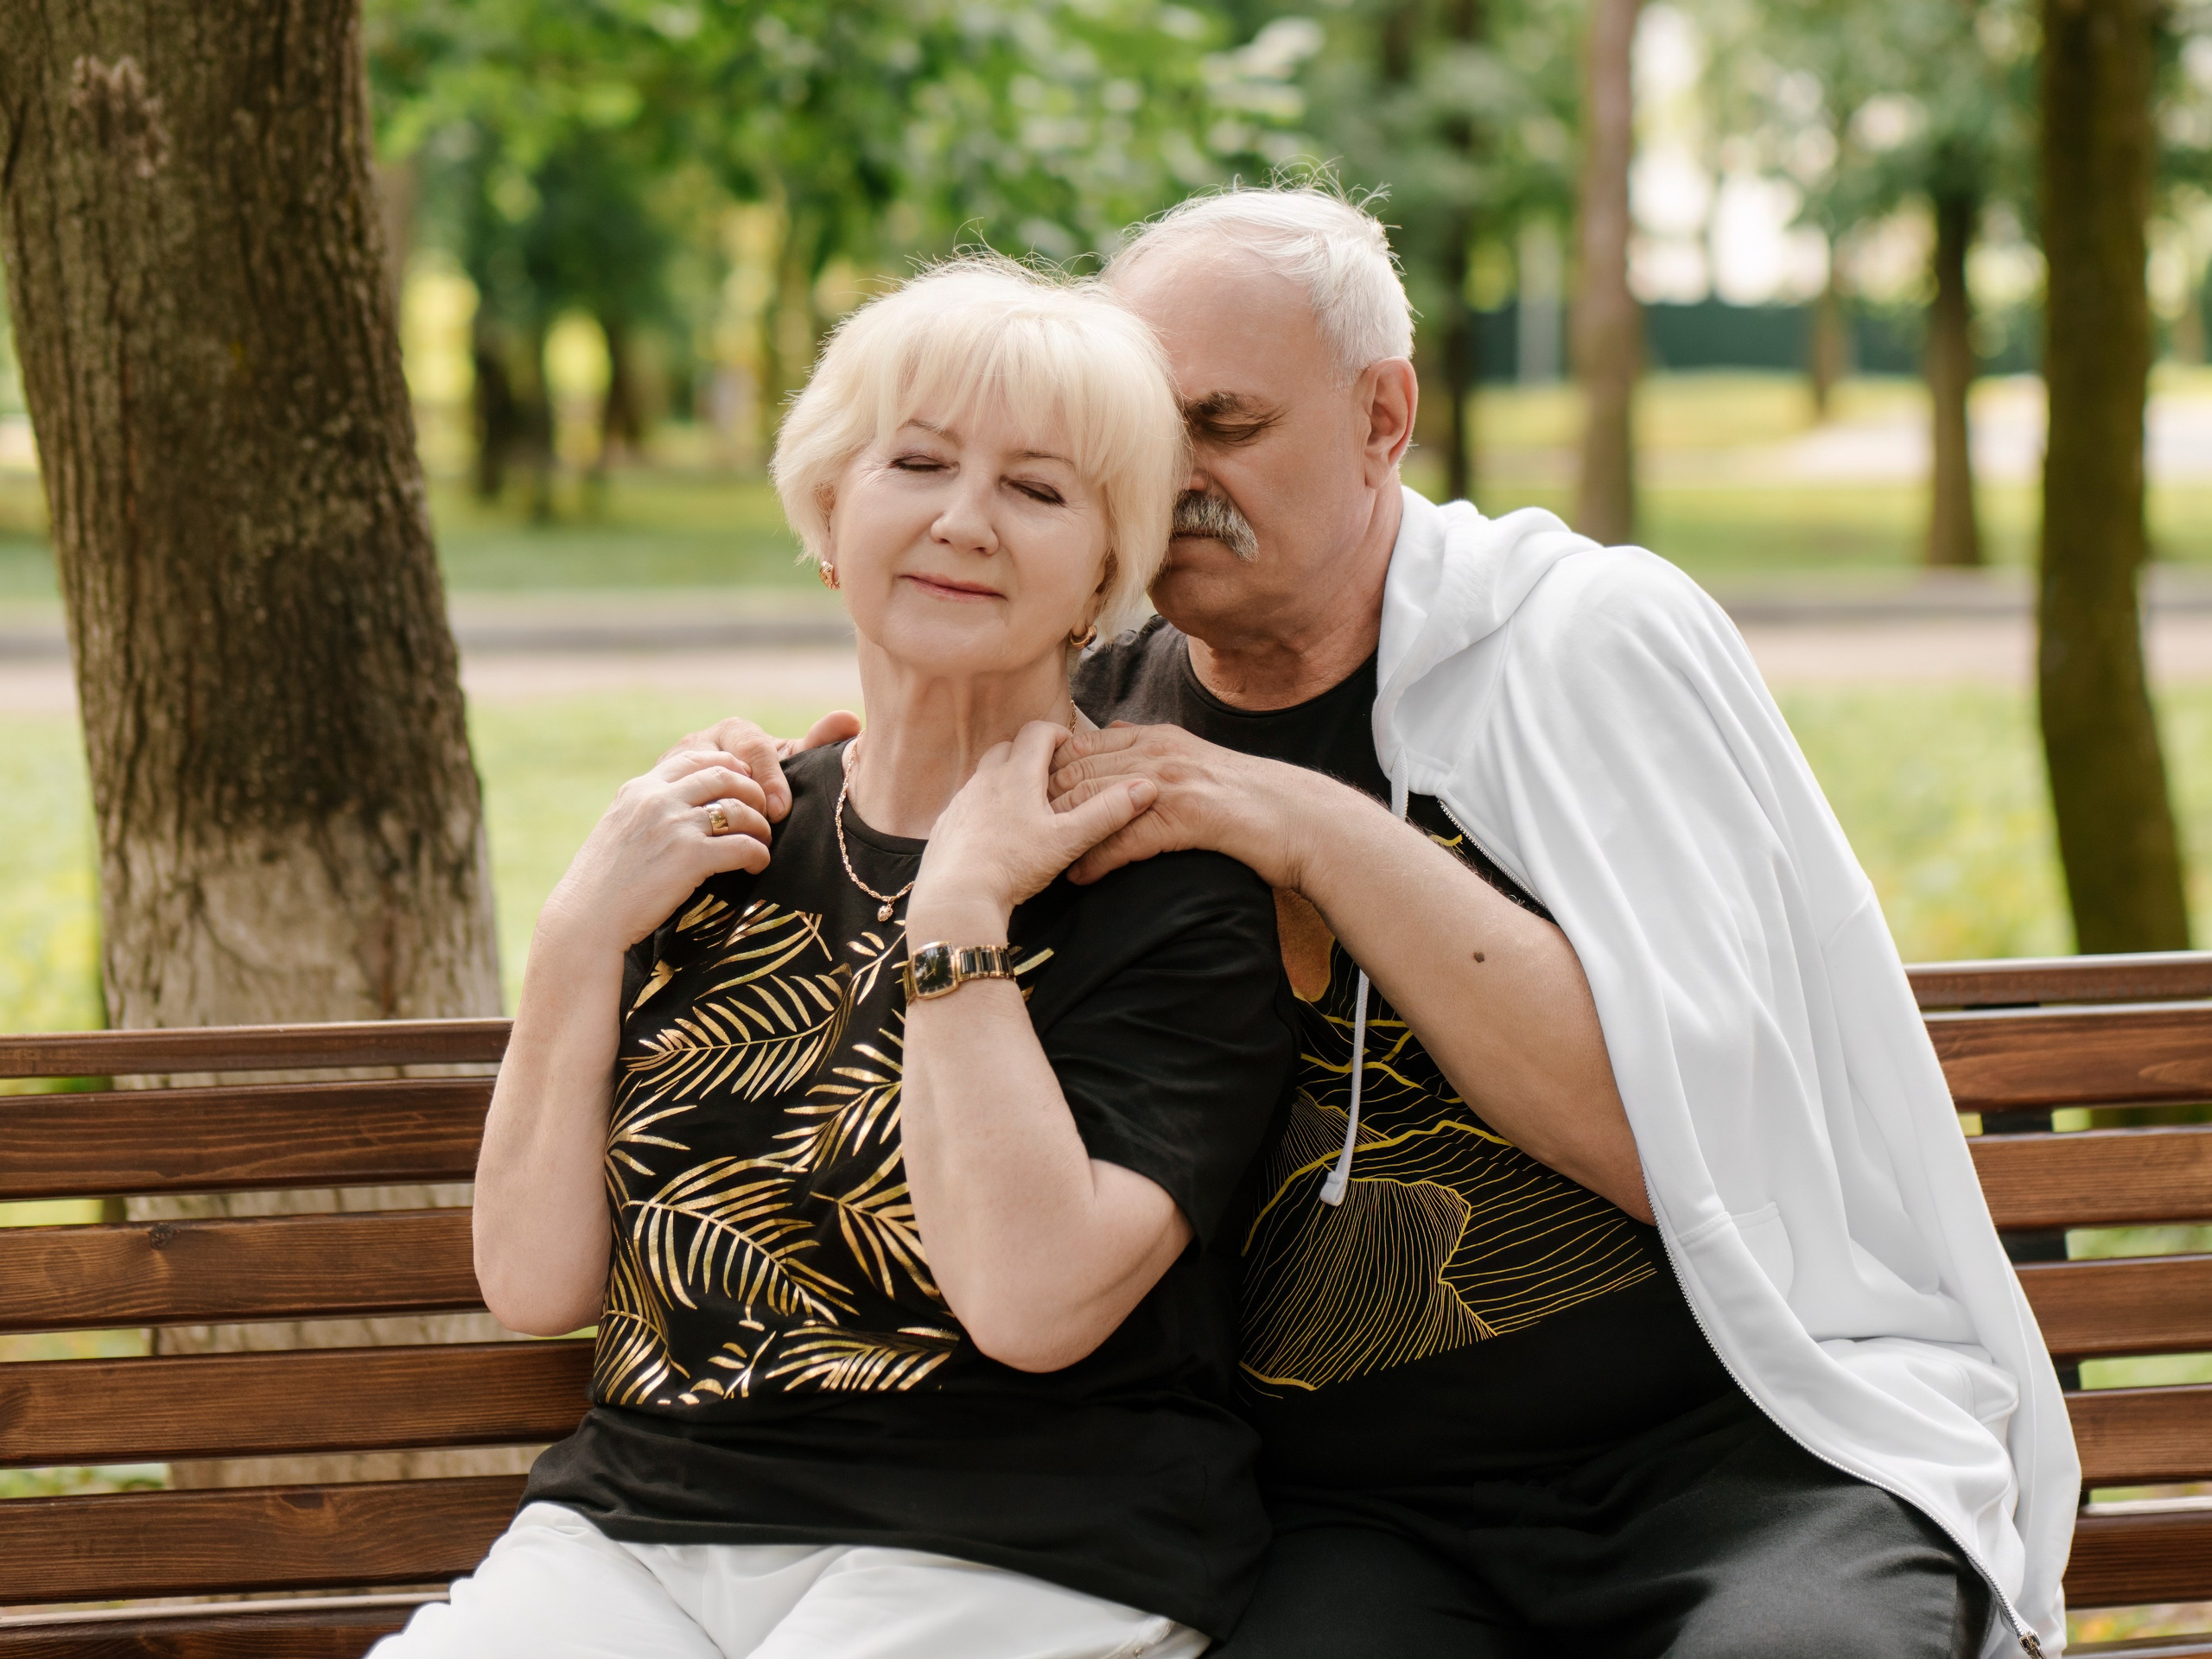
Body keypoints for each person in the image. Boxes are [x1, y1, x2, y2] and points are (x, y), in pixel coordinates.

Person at [709, 188, 2075, 1659]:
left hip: (1738, 1450)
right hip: (1344, 1511)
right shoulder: (1095, 714)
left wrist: (1310, 830)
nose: (1177, 479)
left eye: (1223, 426)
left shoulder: (1584, 642)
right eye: (1146, 439)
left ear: (1383, 416)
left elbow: (1667, 1136)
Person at [375, 258, 1298, 1659]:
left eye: (1038, 490)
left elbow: (1034, 1305)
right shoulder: (712, 844)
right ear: (829, 512)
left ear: (1103, 578)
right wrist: (577, 938)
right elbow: (536, 1281)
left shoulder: (1165, 883)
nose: (963, 520)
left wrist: (960, 921)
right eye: (916, 463)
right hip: (638, 1533)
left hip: (1019, 1545)